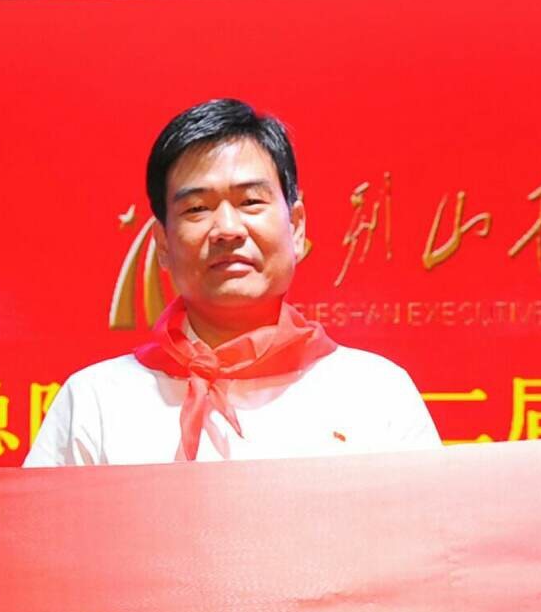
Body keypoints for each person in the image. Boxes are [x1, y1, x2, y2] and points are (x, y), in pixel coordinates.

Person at [22, 97, 439, 465]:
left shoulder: (375, 393)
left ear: (296, 226)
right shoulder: (95, 401)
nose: (227, 229)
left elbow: (430, 529)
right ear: (163, 244)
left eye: (250, 202)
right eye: (197, 208)